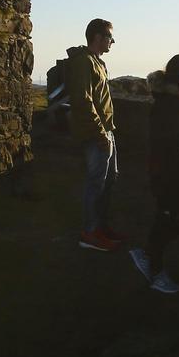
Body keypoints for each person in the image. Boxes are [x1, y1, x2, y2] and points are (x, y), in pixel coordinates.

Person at [130, 54, 179, 293]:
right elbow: (174, 142)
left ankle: (148, 257)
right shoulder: (167, 104)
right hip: (171, 175)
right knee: (176, 217)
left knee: (174, 217)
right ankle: (152, 264)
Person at [66, 18, 122, 251]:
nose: (112, 41)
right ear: (97, 37)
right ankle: (89, 233)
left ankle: (100, 227)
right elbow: (83, 100)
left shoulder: (98, 62)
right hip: (96, 134)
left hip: (107, 132)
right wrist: (100, 134)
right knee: (95, 184)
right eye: (110, 37)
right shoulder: (83, 62)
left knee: (108, 181)